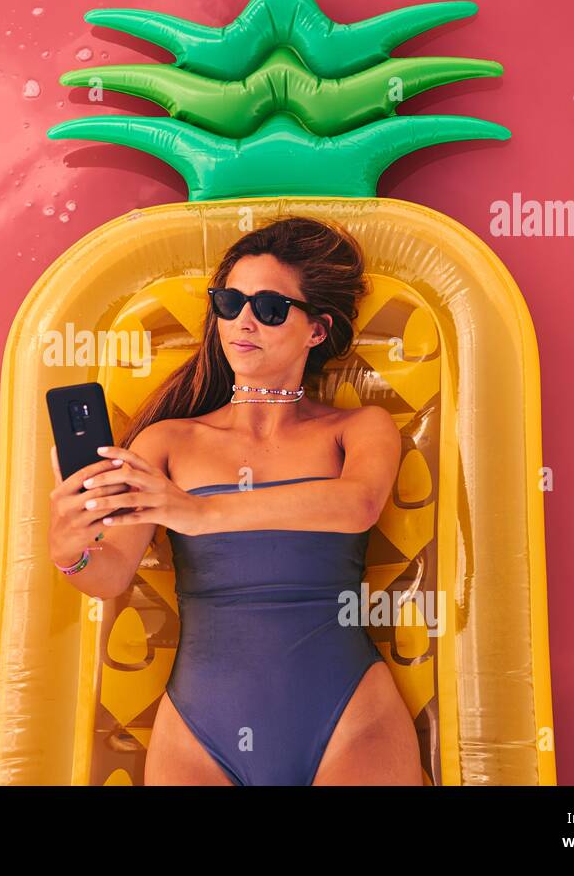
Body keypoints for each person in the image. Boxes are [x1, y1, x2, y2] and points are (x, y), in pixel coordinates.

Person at [48, 216, 421, 785]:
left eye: (270, 307)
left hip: (350, 716)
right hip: (199, 730)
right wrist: (68, 547)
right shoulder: (169, 440)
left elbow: (357, 505)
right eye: (229, 301)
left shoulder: (359, 428)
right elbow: (109, 575)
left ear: (316, 331)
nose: (243, 320)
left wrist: (195, 511)